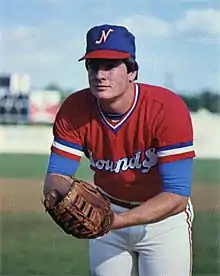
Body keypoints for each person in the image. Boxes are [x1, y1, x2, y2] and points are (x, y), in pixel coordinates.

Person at [43, 24, 195, 276]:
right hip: (106, 213)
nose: (100, 75)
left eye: (110, 66)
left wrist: (114, 221)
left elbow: (176, 196)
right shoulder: (75, 109)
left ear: (132, 71)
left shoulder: (166, 108)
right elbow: (56, 177)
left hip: (163, 223)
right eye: (93, 65)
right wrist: (59, 195)